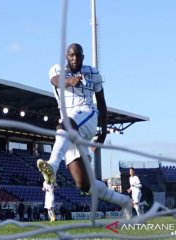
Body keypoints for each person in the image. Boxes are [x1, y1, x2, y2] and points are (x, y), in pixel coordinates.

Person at [37, 43, 132, 219]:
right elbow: (55, 81)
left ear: (83, 57)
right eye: (72, 55)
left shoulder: (93, 73)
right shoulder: (57, 69)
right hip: (69, 128)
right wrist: (69, 81)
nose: (75, 58)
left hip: (87, 115)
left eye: (78, 55)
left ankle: (52, 166)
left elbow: (102, 103)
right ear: (66, 56)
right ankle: (124, 201)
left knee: (64, 124)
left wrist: (103, 131)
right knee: (84, 184)